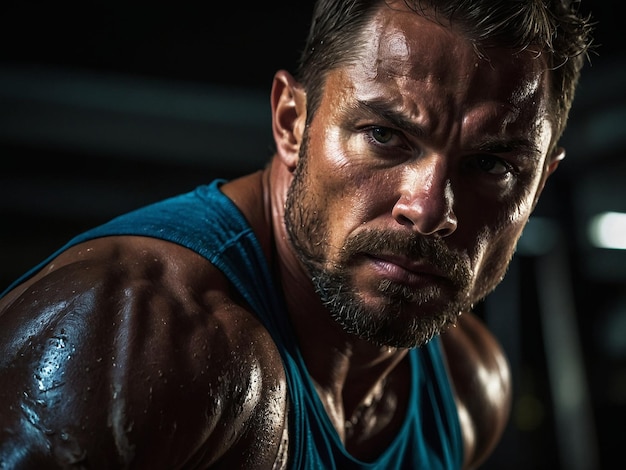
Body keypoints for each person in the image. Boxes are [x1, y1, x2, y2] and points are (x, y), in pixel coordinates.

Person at [0, 0, 594, 468]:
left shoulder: (467, 391)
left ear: (539, 185)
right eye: (386, 136)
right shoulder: (143, 339)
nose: (430, 208)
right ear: (291, 121)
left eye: (492, 165)